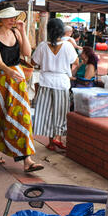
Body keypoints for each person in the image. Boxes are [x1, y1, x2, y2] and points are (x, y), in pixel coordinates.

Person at [0, 5, 44, 173]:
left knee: (22, 115)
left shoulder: (17, 32)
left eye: (14, 17)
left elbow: (26, 53)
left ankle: (27, 160)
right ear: (0, 19)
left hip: (17, 78)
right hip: (1, 79)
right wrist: (10, 71)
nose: (12, 19)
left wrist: (23, 31)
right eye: (9, 17)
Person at [31, 18, 79, 151]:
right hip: (61, 83)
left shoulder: (42, 46)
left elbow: (33, 62)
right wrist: (69, 71)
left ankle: (51, 142)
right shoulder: (68, 46)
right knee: (61, 112)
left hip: (46, 82)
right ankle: (57, 138)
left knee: (46, 112)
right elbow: (76, 61)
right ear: (62, 31)